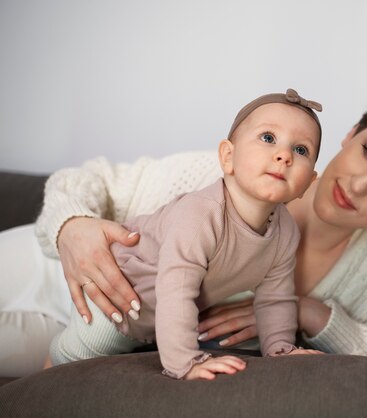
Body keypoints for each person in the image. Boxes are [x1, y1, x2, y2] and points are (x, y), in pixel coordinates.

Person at [0, 92, 367, 377]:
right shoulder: (225, 180)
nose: (358, 185)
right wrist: (72, 227)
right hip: (48, 272)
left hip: (106, 331)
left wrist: (309, 314)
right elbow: (88, 181)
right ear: (352, 132)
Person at [45, 89, 324, 380]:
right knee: (68, 362)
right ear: (228, 156)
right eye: (268, 138)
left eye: (301, 150)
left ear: (309, 182)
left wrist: (281, 349)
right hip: (108, 298)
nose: (284, 156)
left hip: (150, 322)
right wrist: (186, 362)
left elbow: (275, 298)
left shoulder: (286, 233)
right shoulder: (201, 214)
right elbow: (177, 288)